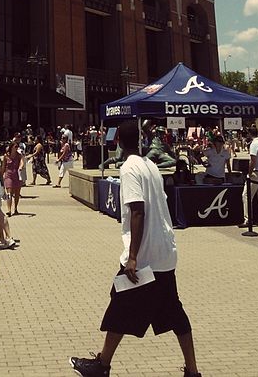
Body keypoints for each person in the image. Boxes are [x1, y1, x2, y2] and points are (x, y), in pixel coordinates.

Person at [70, 120, 201, 377]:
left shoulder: (129, 169)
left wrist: (132, 257)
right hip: (164, 253)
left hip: (143, 258)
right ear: (140, 141)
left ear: (117, 141)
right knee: (174, 313)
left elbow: (137, 210)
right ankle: (193, 371)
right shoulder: (150, 166)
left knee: (121, 304)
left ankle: (102, 366)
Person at [239, 125, 258, 227]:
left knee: (246, 195)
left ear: (249, 134)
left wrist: (249, 172)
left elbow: (253, 160)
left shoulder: (254, 144)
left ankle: (248, 219)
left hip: (256, 173)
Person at [2, 140, 24, 216]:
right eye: (15, 147)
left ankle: (15, 208)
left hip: (17, 175)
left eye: (17, 146)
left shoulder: (19, 155)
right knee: (9, 193)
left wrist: (20, 167)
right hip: (8, 175)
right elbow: (3, 167)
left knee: (17, 194)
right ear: (11, 147)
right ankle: (9, 209)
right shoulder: (6, 156)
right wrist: (1, 176)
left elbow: (22, 162)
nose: (17, 148)